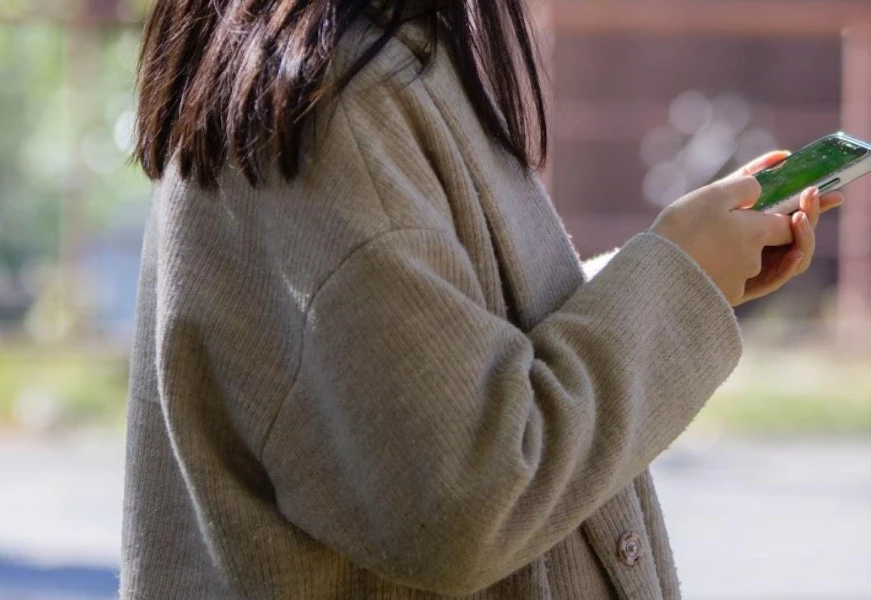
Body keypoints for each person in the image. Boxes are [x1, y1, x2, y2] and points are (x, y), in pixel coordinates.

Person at [121, 1, 843, 598]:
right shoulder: (338, 106)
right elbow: (462, 496)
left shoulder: (375, 67)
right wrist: (674, 277)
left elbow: (446, 347)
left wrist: (674, 273)